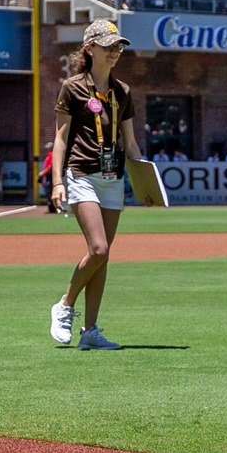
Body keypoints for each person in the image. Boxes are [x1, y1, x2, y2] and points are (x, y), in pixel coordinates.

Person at [49, 20, 147, 350]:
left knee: (103, 257)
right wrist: (57, 181)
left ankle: (90, 331)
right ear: (90, 49)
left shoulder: (123, 92)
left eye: (119, 46)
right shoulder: (72, 87)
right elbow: (60, 138)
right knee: (99, 249)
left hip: (113, 179)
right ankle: (65, 305)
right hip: (81, 175)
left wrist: (146, 183)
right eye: (109, 46)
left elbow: (131, 144)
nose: (116, 52)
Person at [37, 141, 57, 213]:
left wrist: (42, 173)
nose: (46, 150)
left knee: (50, 192)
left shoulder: (51, 154)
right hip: (49, 176)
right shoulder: (49, 155)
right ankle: (52, 208)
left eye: (47, 148)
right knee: (49, 192)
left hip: (50, 176)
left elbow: (51, 166)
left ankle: (52, 208)